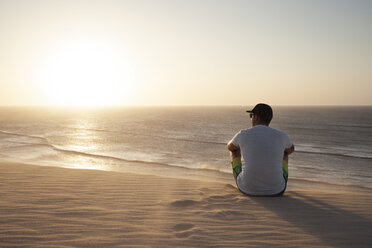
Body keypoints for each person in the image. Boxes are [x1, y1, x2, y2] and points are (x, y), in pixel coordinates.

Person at [227, 103, 294, 196]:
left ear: (256, 117)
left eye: (251, 115)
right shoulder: (282, 135)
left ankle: (246, 177)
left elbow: (230, 147)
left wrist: (245, 145)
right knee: (285, 153)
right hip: (277, 190)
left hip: (247, 188)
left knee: (234, 151)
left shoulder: (243, 133)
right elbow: (291, 149)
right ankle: (273, 181)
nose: (251, 118)